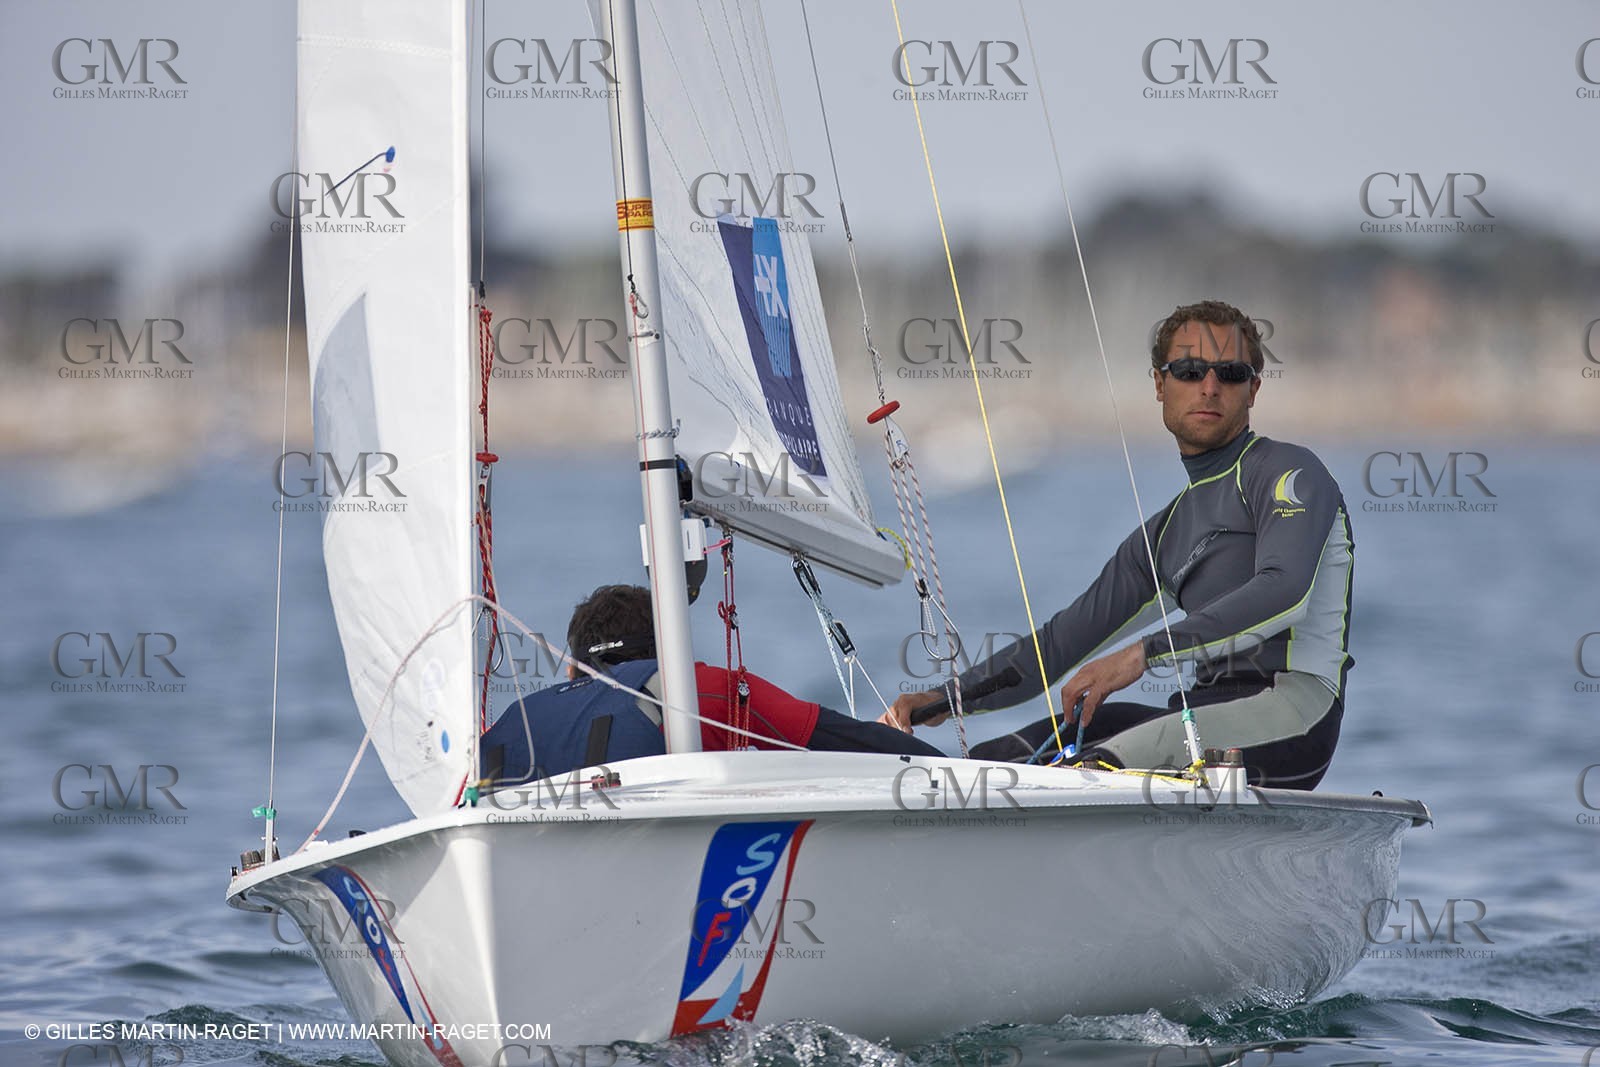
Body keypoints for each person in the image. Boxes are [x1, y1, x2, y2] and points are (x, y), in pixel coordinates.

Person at [882, 300, 1353, 789]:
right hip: (1202, 714)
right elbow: (1060, 643)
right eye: (1189, 371)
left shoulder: (1289, 474)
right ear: (1159, 384)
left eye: (1230, 373)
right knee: (990, 763)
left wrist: (1139, 656)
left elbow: (1285, 591)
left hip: (1294, 715)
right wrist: (946, 698)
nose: (1209, 387)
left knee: (1093, 767)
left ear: (1253, 389)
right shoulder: (1166, 534)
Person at [480, 583, 942, 785]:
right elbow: (845, 740)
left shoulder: (510, 723)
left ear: (571, 670)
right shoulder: (698, 691)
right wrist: (955, 772)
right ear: (672, 655)